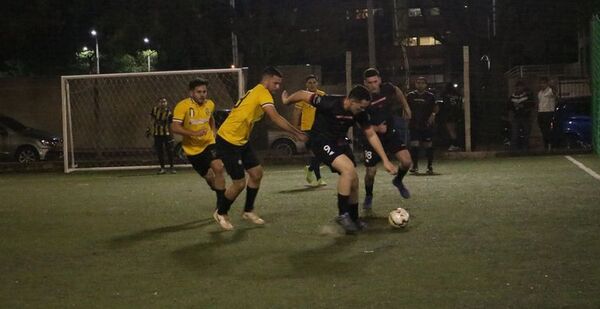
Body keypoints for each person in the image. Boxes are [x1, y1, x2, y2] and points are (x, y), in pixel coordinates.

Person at [282, 85, 397, 234]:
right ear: (351, 100)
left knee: (354, 179)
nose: (363, 111)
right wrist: (286, 101)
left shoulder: (359, 112)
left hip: (339, 142)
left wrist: (385, 160)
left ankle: (354, 219)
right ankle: (343, 214)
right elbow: (304, 94)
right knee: (347, 170)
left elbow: (371, 135)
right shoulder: (329, 102)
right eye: (361, 107)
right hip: (320, 141)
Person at [214, 66, 307, 231]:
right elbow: (274, 116)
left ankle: (248, 210)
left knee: (256, 174)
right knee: (239, 183)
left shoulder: (256, 91)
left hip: (241, 141)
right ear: (267, 79)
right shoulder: (262, 92)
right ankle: (221, 212)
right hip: (227, 140)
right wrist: (296, 132)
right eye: (276, 83)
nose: (278, 88)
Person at [170, 78, 226, 213]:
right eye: (199, 92)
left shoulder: (210, 104)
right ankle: (215, 187)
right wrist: (193, 133)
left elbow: (210, 118)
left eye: (204, 91)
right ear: (191, 93)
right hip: (192, 150)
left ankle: (221, 207)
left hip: (208, 143)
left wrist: (213, 131)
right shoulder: (182, 106)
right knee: (209, 178)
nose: (202, 94)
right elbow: (174, 127)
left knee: (218, 167)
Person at [361, 68, 412, 213]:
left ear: (380, 80)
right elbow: (358, 122)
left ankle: (398, 181)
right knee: (370, 173)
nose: (373, 85)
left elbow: (397, 91)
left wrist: (406, 107)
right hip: (371, 138)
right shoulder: (361, 98)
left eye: (375, 81)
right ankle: (369, 195)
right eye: (369, 83)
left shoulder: (387, 88)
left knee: (407, 161)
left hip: (390, 134)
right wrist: (376, 128)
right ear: (365, 83)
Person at [291, 74, 327, 186]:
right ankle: (319, 179)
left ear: (317, 83)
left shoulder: (322, 95)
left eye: (314, 82)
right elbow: (296, 113)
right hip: (307, 129)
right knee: (315, 153)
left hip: (320, 129)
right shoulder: (302, 96)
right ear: (306, 84)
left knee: (320, 153)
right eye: (309, 83)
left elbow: (327, 111)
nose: (312, 85)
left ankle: (310, 169)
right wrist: (295, 129)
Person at [406, 77, 439, 175]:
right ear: (415, 84)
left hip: (426, 124)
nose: (420, 84)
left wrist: (433, 116)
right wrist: (407, 117)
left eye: (422, 83)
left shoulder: (430, 96)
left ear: (426, 85)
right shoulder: (410, 95)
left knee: (428, 145)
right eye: (418, 82)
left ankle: (429, 166)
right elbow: (406, 107)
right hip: (414, 124)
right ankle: (415, 166)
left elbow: (436, 107)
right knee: (414, 144)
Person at [149, 97, 175, 174]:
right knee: (160, 151)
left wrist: (172, 136)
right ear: (158, 103)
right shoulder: (154, 110)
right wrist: (149, 130)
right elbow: (151, 120)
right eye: (161, 102)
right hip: (157, 134)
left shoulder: (169, 113)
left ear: (166, 103)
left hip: (166, 134)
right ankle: (162, 168)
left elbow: (171, 125)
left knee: (169, 151)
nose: (163, 103)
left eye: (164, 102)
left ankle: (172, 167)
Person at [508, 80, 534, 150]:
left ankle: (525, 149)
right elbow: (509, 106)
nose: (518, 89)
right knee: (515, 134)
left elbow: (531, 105)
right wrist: (514, 107)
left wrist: (523, 107)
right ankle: (514, 149)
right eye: (517, 87)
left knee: (526, 134)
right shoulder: (512, 97)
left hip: (525, 117)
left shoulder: (527, 96)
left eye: (520, 87)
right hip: (516, 117)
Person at [440, 83, 463, 151]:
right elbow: (460, 104)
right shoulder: (458, 95)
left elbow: (442, 104)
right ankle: (457, 144)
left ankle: (455, 144)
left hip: (449, 114)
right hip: (457, 113)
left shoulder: (445, 95)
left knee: (451, 130)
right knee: (455, 130)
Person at [537, 77, 557, 150]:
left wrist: (552, 85)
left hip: (548, 112)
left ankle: (550, 144)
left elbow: (555, 92)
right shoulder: (540, 92)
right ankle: (546, 144)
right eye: (541, 83)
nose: (541, 85)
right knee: (542, 129)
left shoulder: (550, 90)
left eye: (543, 83)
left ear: (547, 83)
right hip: (541, 112)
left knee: (547, 129)